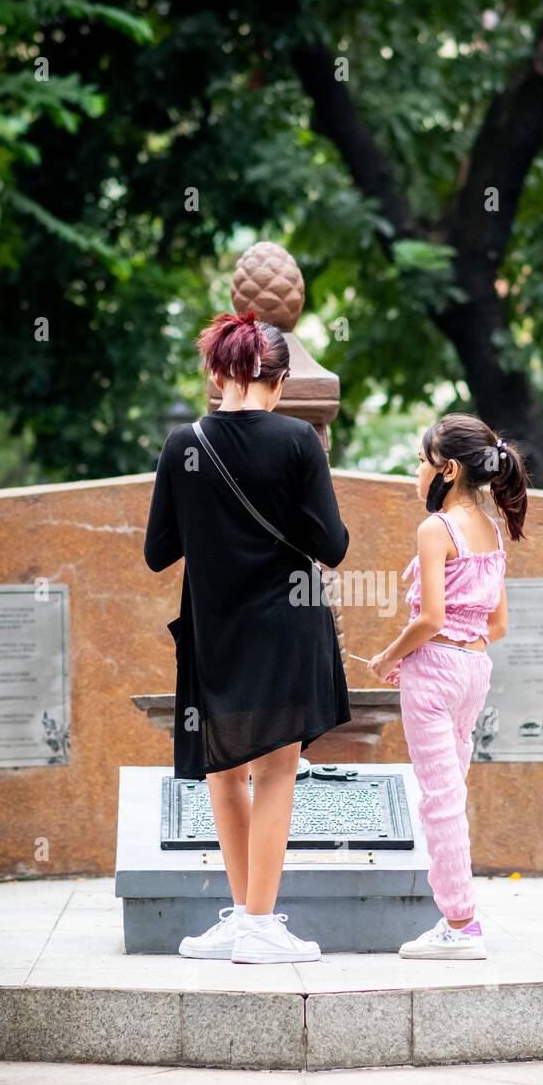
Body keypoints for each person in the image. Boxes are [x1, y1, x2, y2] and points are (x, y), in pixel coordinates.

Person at [143, 310, 351, 964]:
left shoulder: (183, 445)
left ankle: (243, 918)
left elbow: (158, 552)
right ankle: (259, 923)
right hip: (286, 631)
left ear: (216, 373)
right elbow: (333, 546)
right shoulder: (296, 442)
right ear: (280, 380)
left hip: (215, 630)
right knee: (277, 772)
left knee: (223, 771)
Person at [367, 414, 529, 960]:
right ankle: (457, 920)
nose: (415, 472)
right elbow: (497, 624)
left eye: (420, 461)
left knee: (440, 801)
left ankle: (460, 924)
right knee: (450, 795)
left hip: (434, 671)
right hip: (473, 671)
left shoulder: (436, 528)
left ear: (449, 469)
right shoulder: (492, 529)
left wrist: (389, 657)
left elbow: (431, 617)